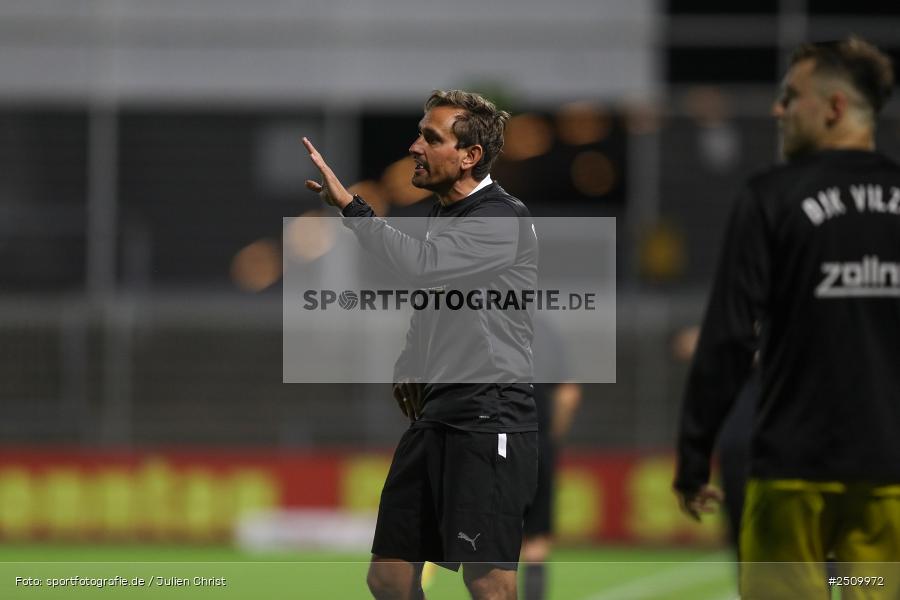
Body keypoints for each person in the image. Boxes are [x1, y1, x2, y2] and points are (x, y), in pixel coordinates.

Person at [673, 37, 900, 599]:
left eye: (791, 96)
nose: (778, 110)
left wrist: (695, 453)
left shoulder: (771, 196)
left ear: (834, 107)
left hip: (793, 476)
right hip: (889, 480)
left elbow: (727, 337)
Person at [304, 90, 539, 600]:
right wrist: (412, 361)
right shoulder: (443, 214)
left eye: (431, 138)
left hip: (489, 416)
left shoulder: (500, 216)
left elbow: (423, 268)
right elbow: (436, 298)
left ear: (469, 156)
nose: (414, 146)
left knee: (489, 585)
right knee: (388, 577)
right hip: (438, 414)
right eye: (419, 133)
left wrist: (351, 206)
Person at [520, 317, 582, 600]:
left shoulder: (475, 322)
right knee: (536, 542)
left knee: (489, 544)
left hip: (489, 443)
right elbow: (569, 395)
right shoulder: (543, 330)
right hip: (537, 442)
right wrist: (551, 438)